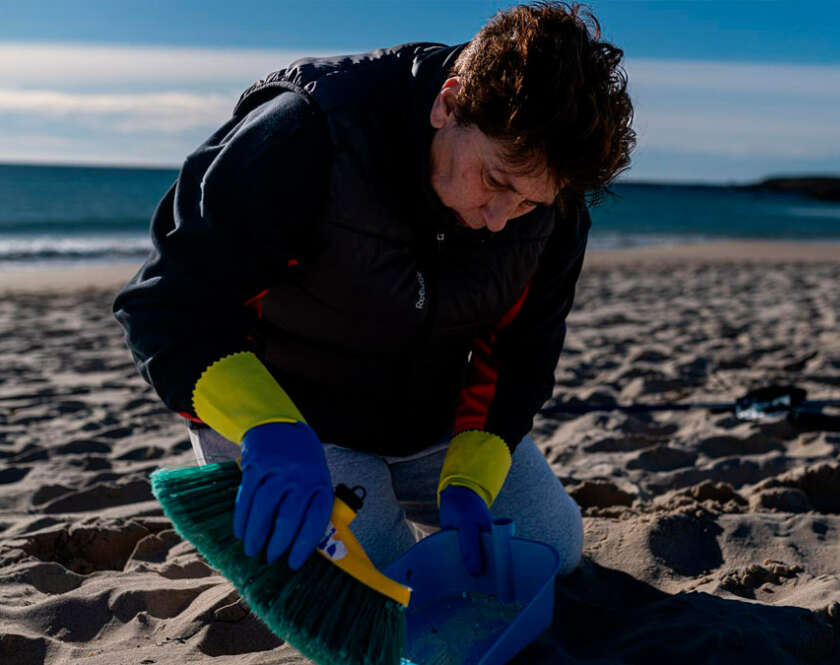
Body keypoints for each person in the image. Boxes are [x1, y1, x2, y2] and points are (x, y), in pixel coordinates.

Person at [114, 2, 635, 578]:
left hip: (424, 424)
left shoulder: (552, 212)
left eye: (529, 202)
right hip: (292, 426)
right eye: (494, 181)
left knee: (547, 548)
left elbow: (521, 360)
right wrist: (270, 431)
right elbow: (168, 305)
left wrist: (468, 481)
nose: (498, 219)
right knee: (379, 584)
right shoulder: (305, 131)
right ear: (449, 102)